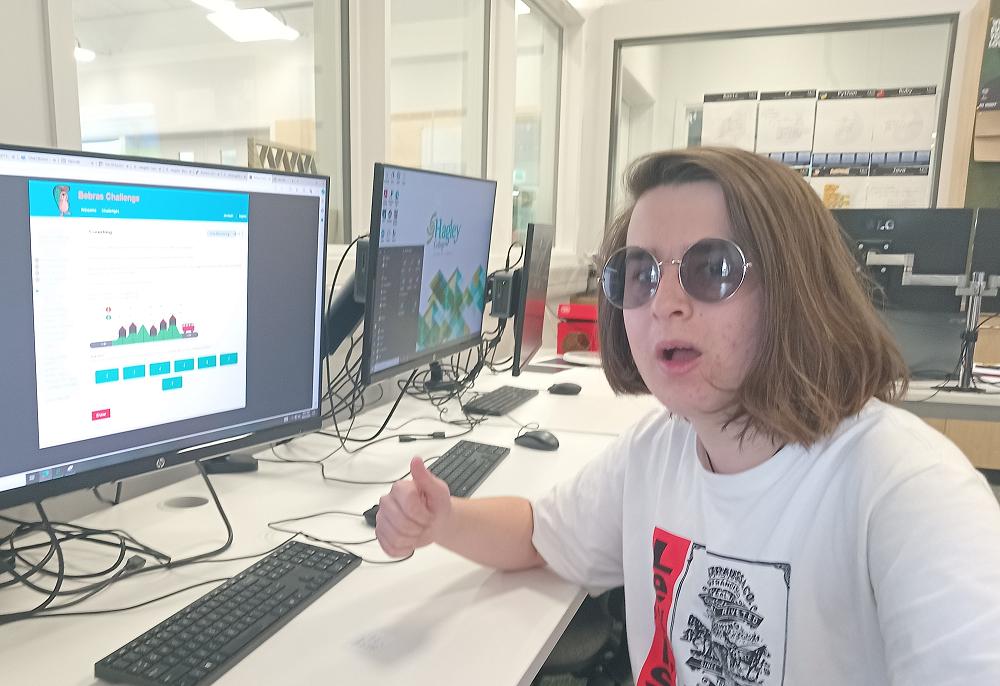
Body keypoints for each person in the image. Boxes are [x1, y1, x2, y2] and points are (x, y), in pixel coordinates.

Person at [374, 147, 1000, 685]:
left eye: (712, 269)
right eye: (640, 274)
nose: (665, 303)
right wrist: (444, 519)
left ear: (795, 287)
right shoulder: (658, 450)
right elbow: (541, 534)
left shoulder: (910, 492)